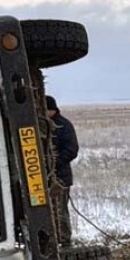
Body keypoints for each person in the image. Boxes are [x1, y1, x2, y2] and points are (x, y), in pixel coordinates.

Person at [45, 95, 79, 246]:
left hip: (60, 177)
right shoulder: (41, 125)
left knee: (60, 210)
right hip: (44, 177)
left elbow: (72, 150)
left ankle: (64, 241)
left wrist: (54, 163)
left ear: (51, 110)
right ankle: (50, 241)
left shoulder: (64, 125)